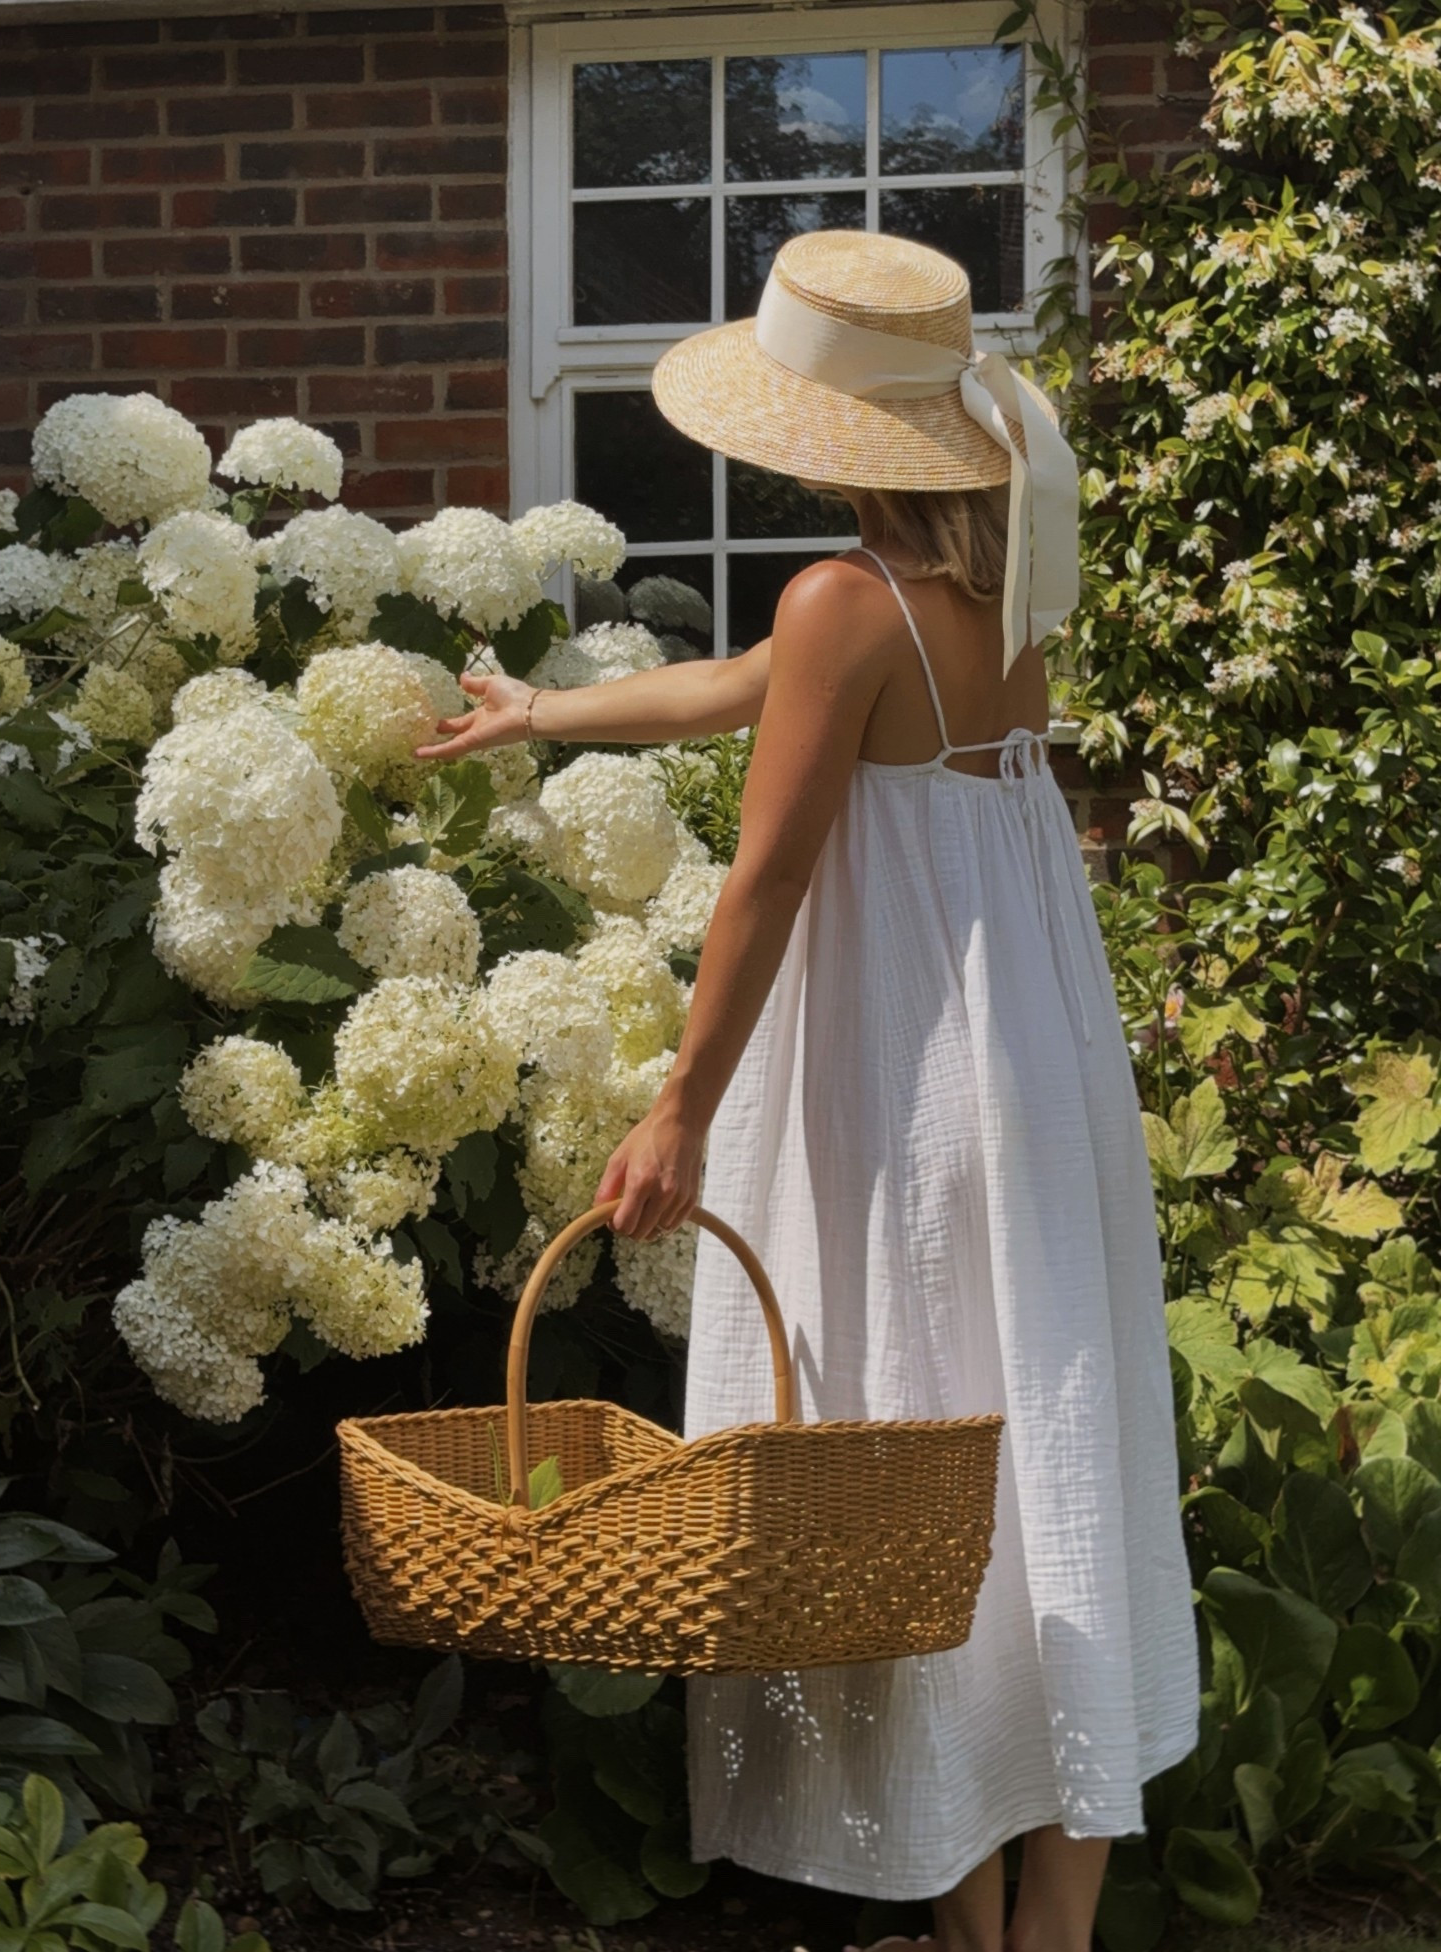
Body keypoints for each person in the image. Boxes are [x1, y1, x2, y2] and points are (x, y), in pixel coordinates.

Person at [416, 231, 1199, 1952]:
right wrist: (543, 716)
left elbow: (766, 875)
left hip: (910, 1078)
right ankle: (1037, 1932)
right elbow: (742, 697)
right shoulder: (996, 601)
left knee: (893, 1448)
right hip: (1037, 1078)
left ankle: (963, 1915)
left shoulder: (843, 601)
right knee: (1035, 1431)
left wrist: (683, 1106)